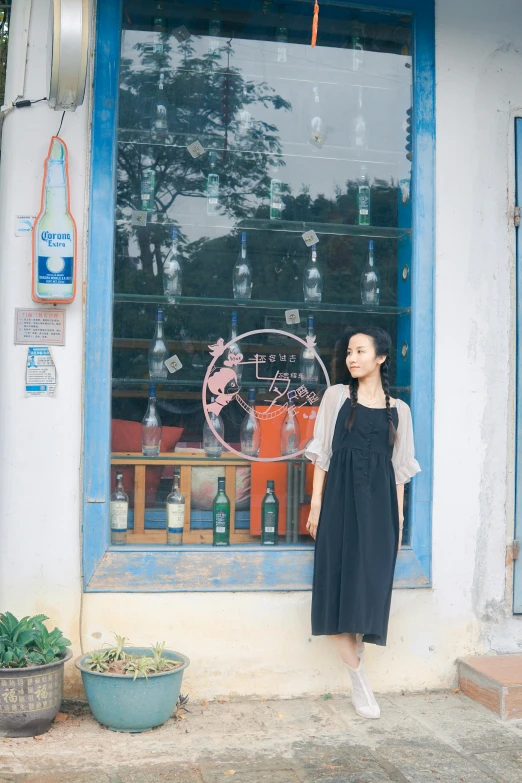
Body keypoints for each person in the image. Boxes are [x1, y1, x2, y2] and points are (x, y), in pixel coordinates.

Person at [304, 325, 421, 720]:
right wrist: (316, 505)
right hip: (338, 502)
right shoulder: (336, 397)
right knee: (337, 587)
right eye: (349, 352)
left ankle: (357, 653)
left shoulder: (399, 411)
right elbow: (322, 454)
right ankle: (359, 680)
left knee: (368, 589)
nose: (352, 359)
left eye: (360, 351)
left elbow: (401, 471)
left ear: (381, 358)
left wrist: (399, 518)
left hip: (379, 510)